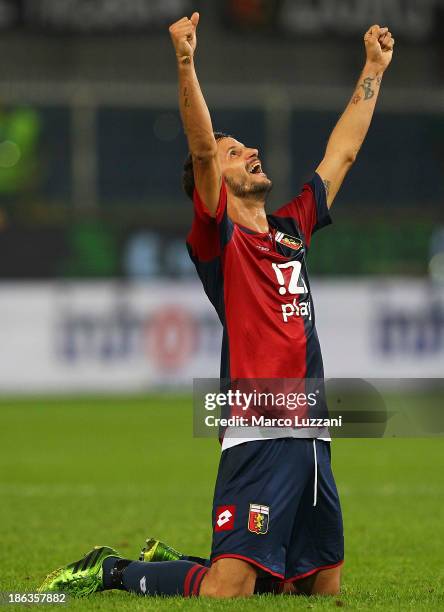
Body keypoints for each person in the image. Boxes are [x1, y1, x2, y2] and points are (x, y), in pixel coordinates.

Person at [38, 12, 394, 599]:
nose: (249, 151)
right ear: (217, 183)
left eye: (244, 147)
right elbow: (201, 151)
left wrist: (373, 70)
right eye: (235, 153)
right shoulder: (218, 239)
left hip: (312, 435)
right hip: (256, 432)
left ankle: (184, 559)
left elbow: (344, 153)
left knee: (320, 590)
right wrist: (185, 61)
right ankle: (116, 571)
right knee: (229, 590)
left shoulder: (291, 228)